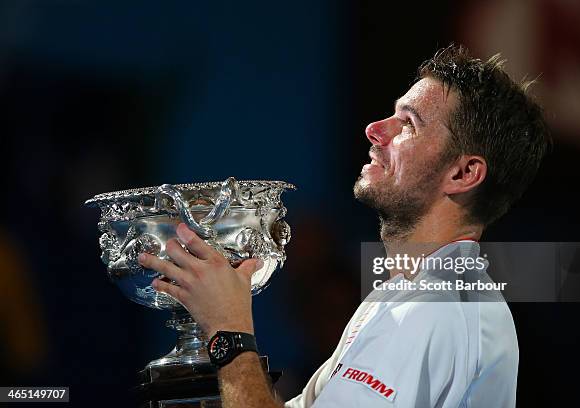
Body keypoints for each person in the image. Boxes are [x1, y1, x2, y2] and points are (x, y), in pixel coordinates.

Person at [138, 44, 551, 407]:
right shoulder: (398, 299)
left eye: (408, 124)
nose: (374, 130)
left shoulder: (434, 312)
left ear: (464, 174)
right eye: (392, 115)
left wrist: (229, 332)